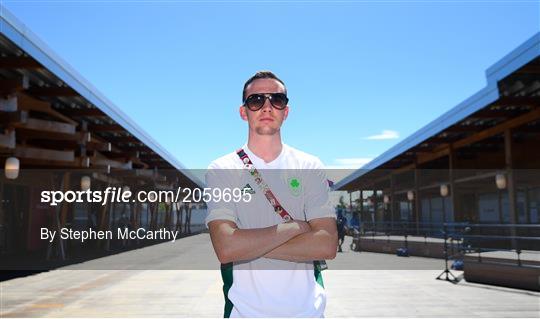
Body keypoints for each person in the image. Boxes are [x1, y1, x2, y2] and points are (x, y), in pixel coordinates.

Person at [205, 71, 338, 318]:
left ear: (285, 112)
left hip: (308, 313)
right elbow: (225, 248)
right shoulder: (223, 169)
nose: (267, 106)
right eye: (256, 100)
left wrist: (246, 245)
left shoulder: (309, 165)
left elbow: (327, 244)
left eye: (276, 99)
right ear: (244, 112)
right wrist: (296, 227)